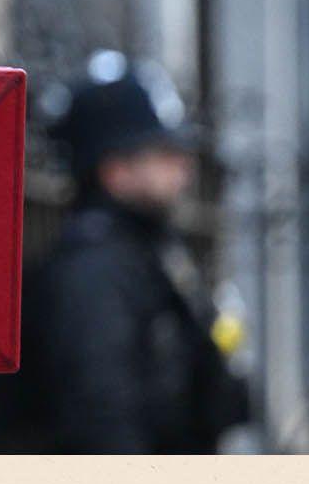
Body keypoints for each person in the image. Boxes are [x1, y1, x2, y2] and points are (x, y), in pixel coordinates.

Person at [18, 51, 250, 453]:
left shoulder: (144, 250)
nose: (183, 169)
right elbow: (101, 418)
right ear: (115, 170)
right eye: (162, 154)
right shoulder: (94, 272)